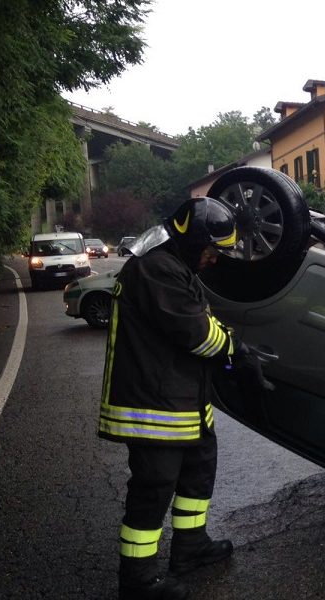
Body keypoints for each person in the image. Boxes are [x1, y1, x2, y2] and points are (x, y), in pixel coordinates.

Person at [99, 197, 251, 600]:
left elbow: (201, 317)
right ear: (193, 241)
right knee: (154, 486)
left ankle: (190, 548)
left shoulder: (172, 266)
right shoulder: (156, 269)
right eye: (211, 251)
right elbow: (198, 334)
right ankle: (137, 581)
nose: (214, 260)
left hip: (180, 397)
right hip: (152, 405)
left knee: (198, 470)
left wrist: (229, 343)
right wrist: (234, 349)